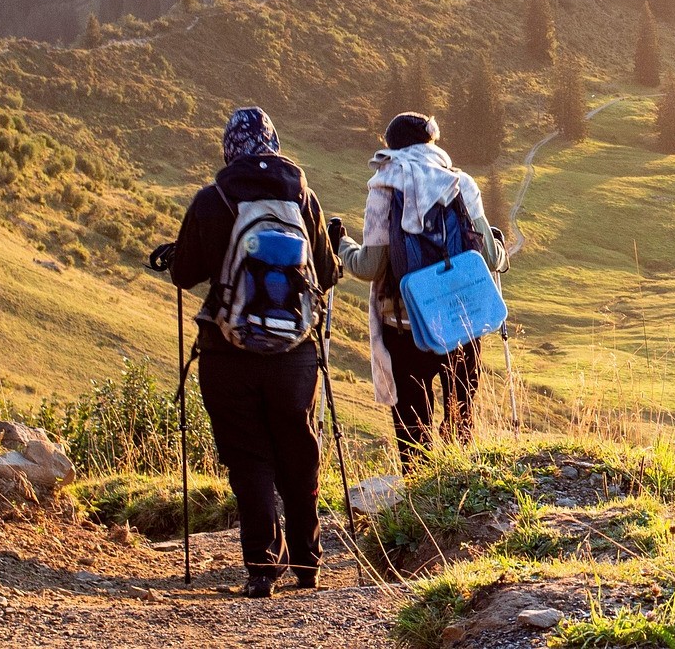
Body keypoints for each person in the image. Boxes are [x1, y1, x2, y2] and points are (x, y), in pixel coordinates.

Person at [168, 108, 338, 598]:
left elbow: (185, 274)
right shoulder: (304, 198)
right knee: (299, 450)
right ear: (273, 144)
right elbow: (325, 275)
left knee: (248, 456)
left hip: (228, 352)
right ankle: (309, 562)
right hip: (296, 354)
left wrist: (176, 254)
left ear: (229, 149)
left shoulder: (212, 199)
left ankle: (263, 566)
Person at [330, 112, 506, 474]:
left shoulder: (384, 186)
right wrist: (500, 249)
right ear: (432, 142)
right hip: (462, 322)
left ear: (391, 148)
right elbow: (488, 257)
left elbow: (369, 267)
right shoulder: (460, 183)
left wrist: (341, 244)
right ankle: (462, 496)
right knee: (461, 421)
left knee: (414, 431)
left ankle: (421, 505)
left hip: (405, 325)